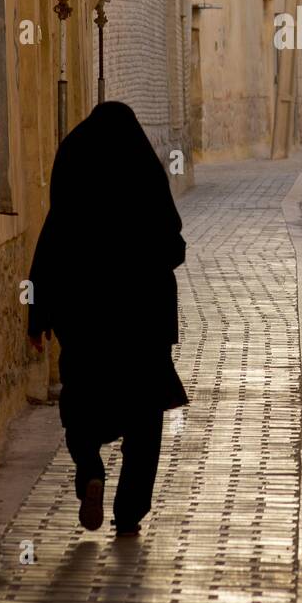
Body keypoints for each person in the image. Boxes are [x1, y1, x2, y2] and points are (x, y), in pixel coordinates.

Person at [27, 101, 188, 538]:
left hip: (85, 317)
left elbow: (53, 237)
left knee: (80, 401)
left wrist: (38, 315)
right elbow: (173, 246)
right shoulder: (142, 167)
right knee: (144, 412)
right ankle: (130, 510)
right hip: (143, 321)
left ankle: (90, 471)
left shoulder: (74, 157)